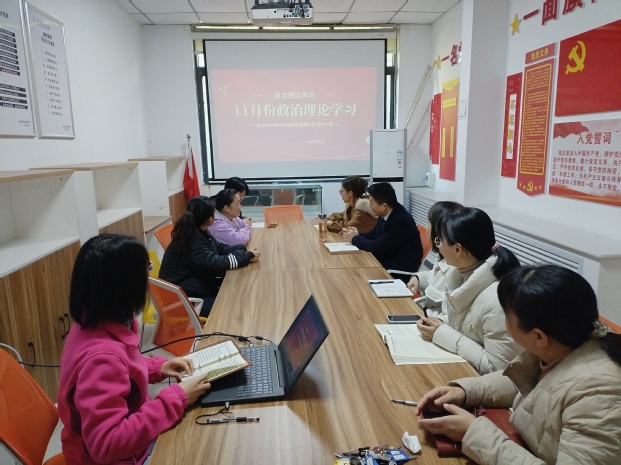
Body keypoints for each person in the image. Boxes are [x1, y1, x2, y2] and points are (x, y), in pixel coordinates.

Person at [417, 265, 621, 465]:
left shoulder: (599, 394)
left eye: (507, 316)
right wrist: (465, 391)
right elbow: (525, 382)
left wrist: (473, 434)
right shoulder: (563, 345)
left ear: (539, 336)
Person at [58, 234, 212, 465]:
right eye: (146, 270)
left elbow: (123, 366)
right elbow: (107, 445)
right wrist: (176, 398)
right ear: (126, 285)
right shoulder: (102, 359)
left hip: (128, 444)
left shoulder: (92, 322)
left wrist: (157, 367)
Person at [415, 207, 522, 374]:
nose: (438, 246)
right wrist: (440, 322)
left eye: (439, 241)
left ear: (458, 249)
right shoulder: (461, 273)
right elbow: (468, 324)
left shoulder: (497, 301)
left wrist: (443, 334)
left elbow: (499, 370)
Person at [159, 196, 259, 316]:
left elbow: (220, 248)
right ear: (210, 218)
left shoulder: (198, 230)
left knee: (237, 294)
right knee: (233, 307)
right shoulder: (192, 239)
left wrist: (244, 251)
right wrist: (246, 256)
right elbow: (215, 264)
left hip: (194, 290)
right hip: (184, 300)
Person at [342, 182, 422, 282]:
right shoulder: (386, 212)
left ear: (384, 205)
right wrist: (356, 234)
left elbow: (377, 247)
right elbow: (373, 234)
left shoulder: (400, 222)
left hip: (397, 271)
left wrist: (355, 238)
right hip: (385, 262)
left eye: (371, 202)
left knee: (355, 278)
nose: (370, 206)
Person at [407, 201, 463, 320]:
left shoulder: (457, 267)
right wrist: (418, 278)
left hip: (431, 322)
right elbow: (434, 276)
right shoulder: (443, 254)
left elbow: (448, 317)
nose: (426, 227)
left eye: (428, 222)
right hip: (425, 316)